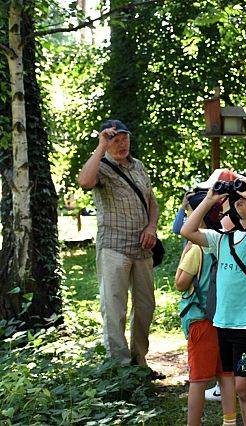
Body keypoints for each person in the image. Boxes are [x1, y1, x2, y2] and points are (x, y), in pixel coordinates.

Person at [180, 175, 246, 426]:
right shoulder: (221, 239)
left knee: (245, 387)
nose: (239, 201)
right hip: (223, 323)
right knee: (237, 386)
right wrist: (210, 199)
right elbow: (186, 230)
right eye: (237, 198)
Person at [77, 119, 160, 375]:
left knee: (145, 307)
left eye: (124, 137)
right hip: (113, 247)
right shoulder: (100, 166)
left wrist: (152, 228)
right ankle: (121, 369)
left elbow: (151, 203)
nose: (121, 143)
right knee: (115, 310)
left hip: (142, 249)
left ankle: (140, 361)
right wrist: (100, 147)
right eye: (114, 138)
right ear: (105, 141)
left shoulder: (139, 167)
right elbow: (84, 182)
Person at [175, 192, 236, 426]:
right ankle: (229, 421)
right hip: (225, 317)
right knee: (226, 374)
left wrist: (186, 250)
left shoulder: (196, 249)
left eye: (190, 212)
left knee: (198, 379)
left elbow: (181, 282)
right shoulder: (225, 241)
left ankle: (193, 423)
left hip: (201, 320)